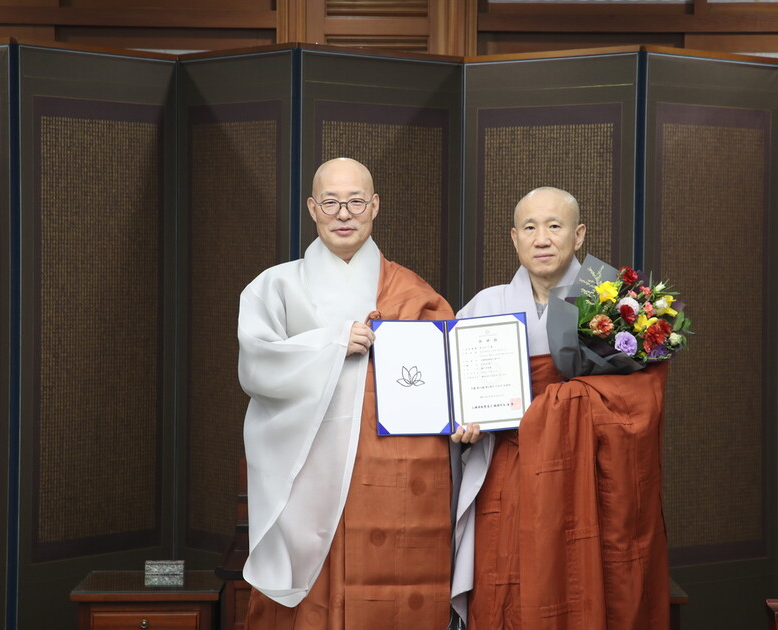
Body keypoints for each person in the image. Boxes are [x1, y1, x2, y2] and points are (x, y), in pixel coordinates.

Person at [237, 157, 457, 629]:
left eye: (356, 201)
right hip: (305, 468)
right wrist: (333, 341)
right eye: (332, 202)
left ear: (374, 206)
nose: (344, 213)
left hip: (390, 473)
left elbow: (447, 375)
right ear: (313, 208)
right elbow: (256, 365)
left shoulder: (411, 290)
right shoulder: (274, 286)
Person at [452, 187, 670, 630]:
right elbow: (456, 394)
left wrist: (562, 403)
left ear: (579, 235)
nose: (542, 238)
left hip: (589, 471)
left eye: (555, 226)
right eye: (530, 228)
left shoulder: (616, 303)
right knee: (506, 578)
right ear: (514, 238)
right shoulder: (485, 306)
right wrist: (461, 426)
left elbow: (641, 399)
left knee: (584, 573)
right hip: (509, 468)